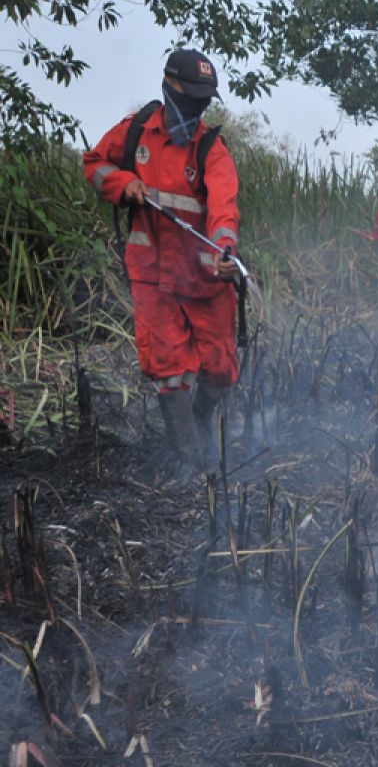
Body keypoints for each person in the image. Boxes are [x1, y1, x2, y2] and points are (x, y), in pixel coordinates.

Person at [83, 48, 242, 478]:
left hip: (206, 278)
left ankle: (202, 417)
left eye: (203, 100)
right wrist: (123, 182)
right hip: (152, 276)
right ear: (170, 87)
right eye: (190, 97)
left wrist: (224, 248)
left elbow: (224, 206)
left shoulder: (211, 149)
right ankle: (190, 462)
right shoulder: (135, 132)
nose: (196, 108)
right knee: (168, 371)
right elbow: (94, 165)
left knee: (221, 369)